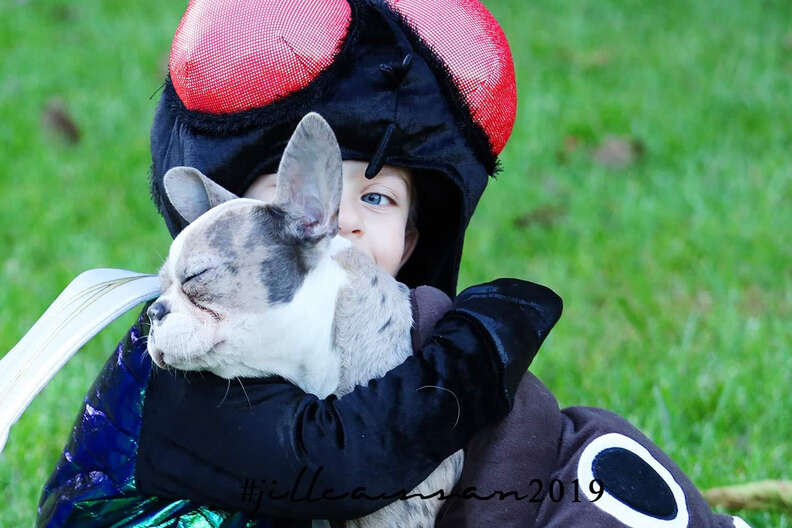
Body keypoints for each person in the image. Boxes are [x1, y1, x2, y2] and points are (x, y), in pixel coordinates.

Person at [37, 1, 564, 526]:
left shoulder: (355, 338)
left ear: (407, 247)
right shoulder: (201, 352)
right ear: (231, 214)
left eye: (377, 198)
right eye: (303, 200)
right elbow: (341, 465)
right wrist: (479, 348)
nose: (339, 221)